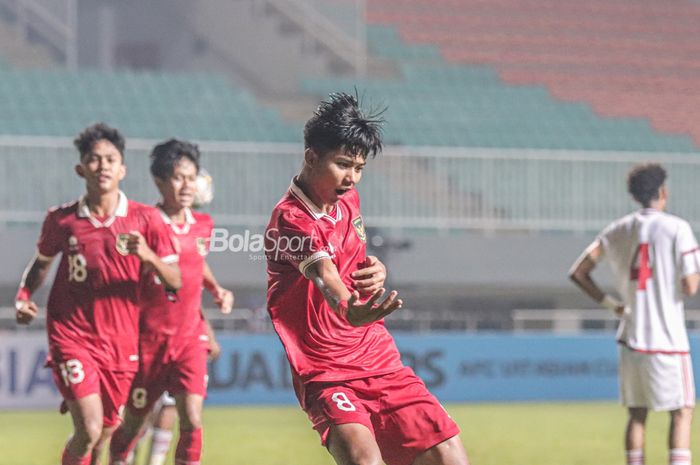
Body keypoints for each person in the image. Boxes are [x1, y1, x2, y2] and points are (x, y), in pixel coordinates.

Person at [265, 93, 469, 465]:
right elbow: (326, 277)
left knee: (450, 457)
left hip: (378, 358)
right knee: (365, 461)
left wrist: (375, 270)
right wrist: (349, 309)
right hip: (326, 369)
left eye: (359, 167)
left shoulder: (348, 200)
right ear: (311, 157)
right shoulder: (290, 220)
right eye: (343, 164)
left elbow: (348, 264)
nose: (352, 177)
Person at [14, 123, 182, 465]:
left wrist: (147, 256)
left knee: (105, 431)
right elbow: (41, 265)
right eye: (94, 159)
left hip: (121, 344)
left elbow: (175, 280)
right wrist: (24, 295)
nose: (103, 165)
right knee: (89, 429)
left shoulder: (147, 219)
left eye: (110, 159)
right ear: (81, 168)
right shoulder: (62, 221)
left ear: (122, 168)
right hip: (72, 336)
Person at [109, 139, 233, 465]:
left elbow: (195, 264)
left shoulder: (204, 225)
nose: (186, 185)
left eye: (191, 177)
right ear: (160, 182)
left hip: (189, 338)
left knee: (192, 419)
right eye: (178, 177)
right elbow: (166, 274)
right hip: (147, 340)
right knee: (134, 424)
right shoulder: (144, 222)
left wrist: (216, 288)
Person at [569, 163, 700, 465]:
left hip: (631, 335)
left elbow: (579, 272)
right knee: (681, 412)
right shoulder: (677, 228)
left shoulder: (616, 230)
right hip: (668, 338)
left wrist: (611, 305)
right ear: (663, 192)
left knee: (637, 415)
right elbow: (691, 286)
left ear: (634, 195)